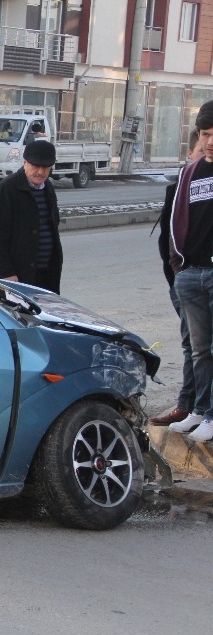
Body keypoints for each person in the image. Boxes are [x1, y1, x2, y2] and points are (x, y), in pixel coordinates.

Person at [169, 100, 213, 441]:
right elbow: (175, 221)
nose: (210, 141)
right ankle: (199, 409)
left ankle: (211, 415)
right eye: (205, 134)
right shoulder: (190, 173)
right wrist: (179, 267)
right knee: (199, 350)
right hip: (191, 274)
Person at [151, 129, 202, 425]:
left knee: (200, 347)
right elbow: (168, 239)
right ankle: (188, 405)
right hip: (183, 280)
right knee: (192, 345)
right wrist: (177, 275)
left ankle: (196, 407)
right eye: (200, 152)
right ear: (190, 153)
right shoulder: (179, 187)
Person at [0, 140, 63, 293]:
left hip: (46, 275)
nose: (41, 172)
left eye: (46, 168)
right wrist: (6, 273)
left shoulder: (47, 187)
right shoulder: (7, 188)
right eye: (36, 166)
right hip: (15, 277)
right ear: (25, 163)